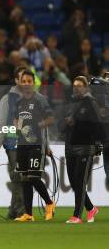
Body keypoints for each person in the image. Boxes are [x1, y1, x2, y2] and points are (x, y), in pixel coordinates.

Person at [12, 70, 56, 222]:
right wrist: (19, 127)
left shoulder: (40, 99)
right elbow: (16, 120)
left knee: (33, 177)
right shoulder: (18, 102)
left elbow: (50, 119)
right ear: (20, 83)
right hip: (22, 144)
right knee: (25, 179)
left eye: (29, 81)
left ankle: (49, 203)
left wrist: (37, 126)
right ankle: (29, 214)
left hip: (36, 144)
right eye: (23, 81)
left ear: (34, 83)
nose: (26, 84)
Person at [60, 76, 102, 223]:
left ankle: (77, 215)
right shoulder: (70, 103)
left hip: (85, 146)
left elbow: (97, 125)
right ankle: (91, 208)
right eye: (74, 85)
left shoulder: (91, 103)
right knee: (73, 182)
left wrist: (98, 143)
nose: (76, 88)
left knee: (80, 181)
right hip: (70, 145)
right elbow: (62, 124)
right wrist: (65, 124)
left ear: (86, 88)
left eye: (79, 85)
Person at [0, 66, 28, 219]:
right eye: (21, 78)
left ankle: (14, 209)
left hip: (30, 143)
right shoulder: (8, 99)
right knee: (17, 175)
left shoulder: (34, 97)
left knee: (23, 176)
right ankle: (21, 210)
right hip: (13, 142)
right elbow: (1, 123)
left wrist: (46, 143)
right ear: (16, 80)